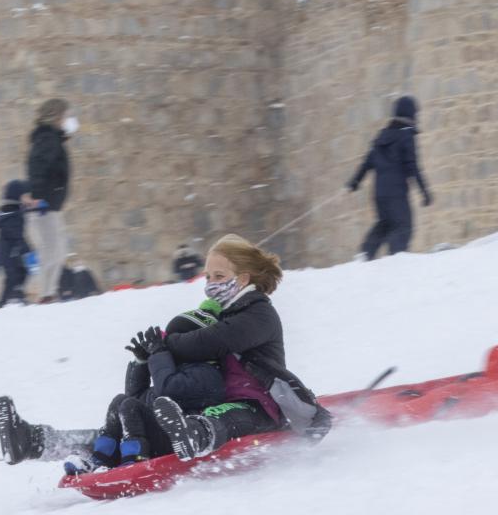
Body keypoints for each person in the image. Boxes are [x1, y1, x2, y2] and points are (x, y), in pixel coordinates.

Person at [151, 234, 330, 459]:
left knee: (229, 417)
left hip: (260, 405)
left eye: (219, 276)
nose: (211, 284)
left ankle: (195, 435)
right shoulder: (225, 311)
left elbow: (210, 342)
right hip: (220, 397)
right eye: (208, 277)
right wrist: (152, 354)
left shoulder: (258, 314)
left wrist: (165, 343)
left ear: (243, 279)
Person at [0, 301, 227, 470]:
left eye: (177, 341)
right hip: (147, 434)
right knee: (121, 406)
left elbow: (167, 389)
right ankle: (35, 442)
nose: (171, 346)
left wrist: (160, 354)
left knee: (123, 417)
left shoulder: (206, 374)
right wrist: (142, 362)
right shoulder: (180, 370)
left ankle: (33, 442)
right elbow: (136, 399)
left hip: (177, 438)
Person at [347, 96, 433, 258]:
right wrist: (424, 191)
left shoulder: (382, 136)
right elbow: (412, 166)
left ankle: (366, 253)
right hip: (397, 193)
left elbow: (368, 162)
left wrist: (355, 182)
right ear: (411, 114)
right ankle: (396, 260)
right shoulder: (406, 136)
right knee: (403, 227)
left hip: (380, 194)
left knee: (385, 223)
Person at [26, 99, 75, 304]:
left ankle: (48, 292)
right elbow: (37, 168)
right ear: (56, 116)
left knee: (56, 248)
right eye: (64, 116)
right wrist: (37, 197)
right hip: (44, 203)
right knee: (52, 249)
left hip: (50, 202)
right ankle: (46, 293)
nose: (66, 120)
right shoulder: (47, 139)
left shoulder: (51, 138)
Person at [0, 180, 32, 306]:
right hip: (9, 252)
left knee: (18, 274)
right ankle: (10, 299)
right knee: (15, 275)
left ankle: (7, 300)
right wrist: (25, 248)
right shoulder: (11, 213)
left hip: (10, 251)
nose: (27, 198)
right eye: (25, 195)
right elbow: (14, 233)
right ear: (17, 196)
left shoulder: (14, 210)